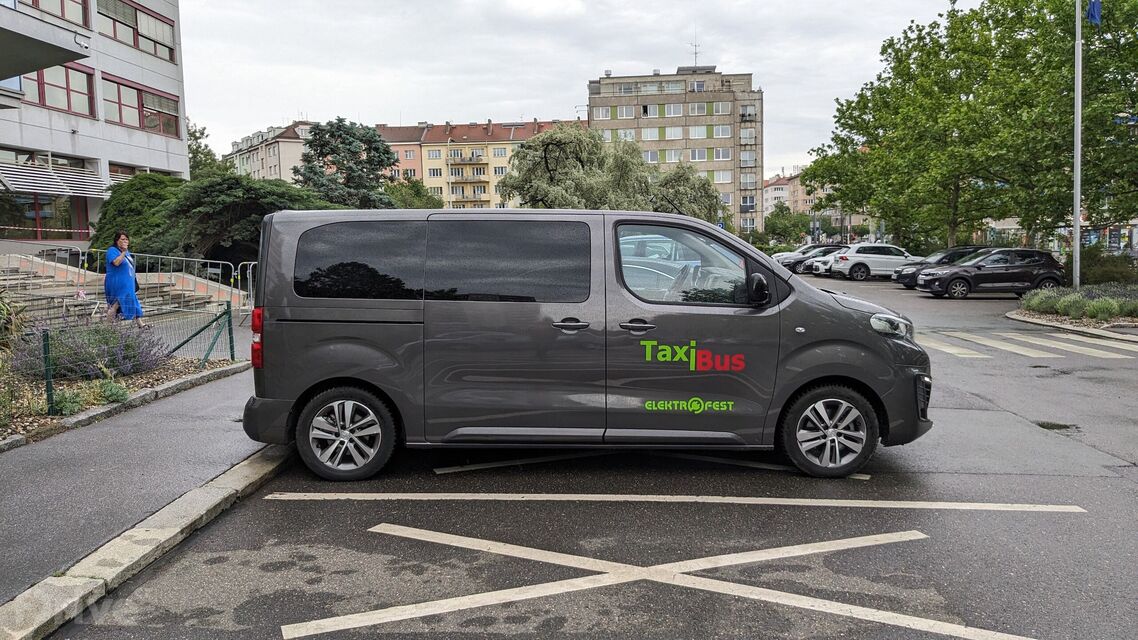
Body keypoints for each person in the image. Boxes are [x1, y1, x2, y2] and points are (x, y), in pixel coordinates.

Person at [105, 231, 148, 328]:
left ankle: (140, 324)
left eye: (126, 239)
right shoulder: (112, 250)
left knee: (133, 300)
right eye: (122, 239)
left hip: (128, 282)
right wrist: (124, 252)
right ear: (117, 241)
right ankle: (107, 326)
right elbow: (116, 262)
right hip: (118, 282)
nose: (125, 241)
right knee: (116, 304)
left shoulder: (127, 252)